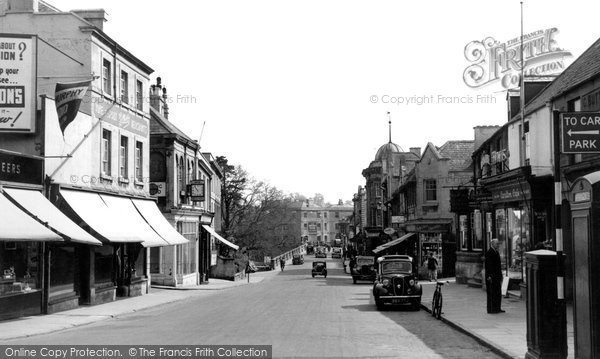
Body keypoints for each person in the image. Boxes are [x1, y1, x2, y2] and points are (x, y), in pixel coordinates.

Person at [485, 238, 505, 314]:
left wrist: (500, 275)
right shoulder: (489, 252)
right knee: (491, 293)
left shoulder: (496, 252)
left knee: (497, 292)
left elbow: (498, 265)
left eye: (498, 244)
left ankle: (497, 308)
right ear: (492, 244)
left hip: (497, 275)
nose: (498, 245)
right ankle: (491, 309)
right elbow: (488, 265)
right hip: (492, 276)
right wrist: (489, 276)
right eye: (496, 243)